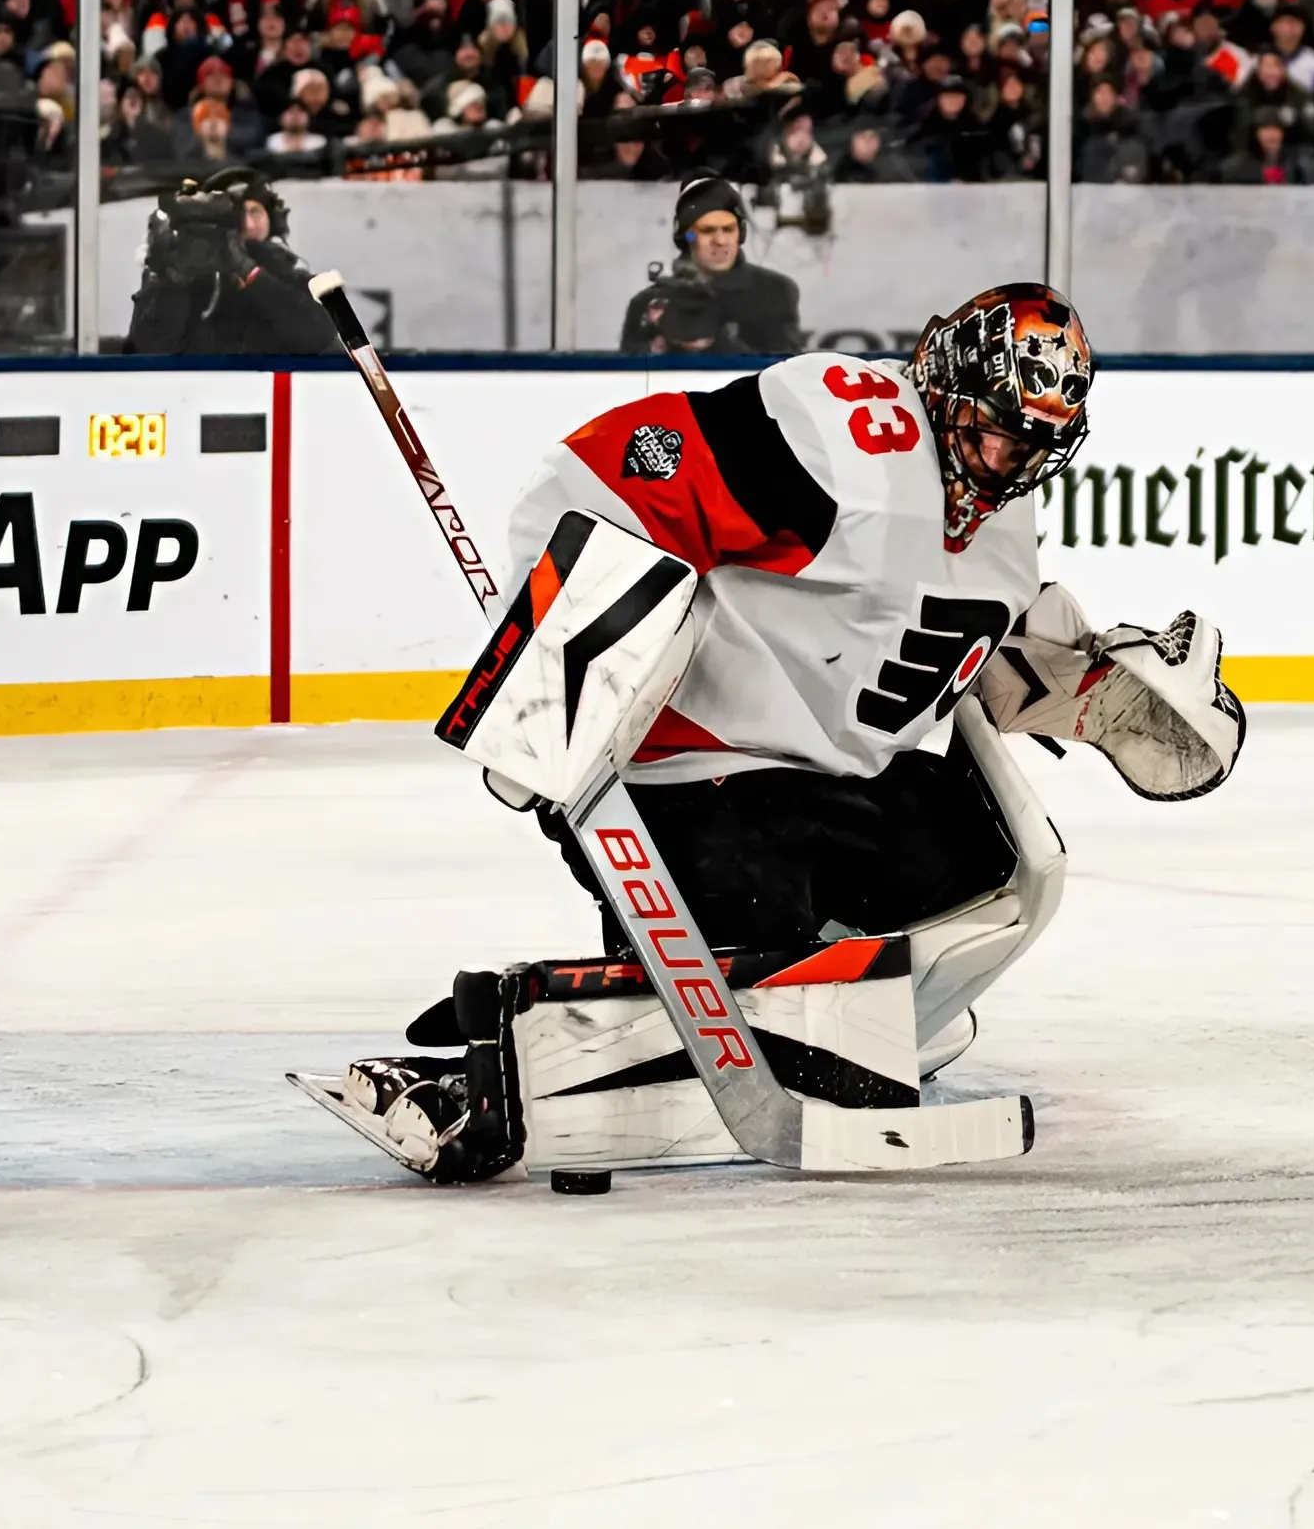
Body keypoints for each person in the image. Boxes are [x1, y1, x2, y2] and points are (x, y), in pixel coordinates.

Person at [337, 286, 1244, 1183]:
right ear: (941, 381)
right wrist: (559, 666)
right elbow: (610, 471)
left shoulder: (1005, 515)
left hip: (831, 790)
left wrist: (1081, 682)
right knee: (755, 946)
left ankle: (862, 1024)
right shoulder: (847, 436)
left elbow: (932, 649)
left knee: (988, 862)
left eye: (1031, 443)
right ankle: (507, 1064)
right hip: (688, 780)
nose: (1004, 461)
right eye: (990, 428)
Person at [125, 169, 343, 355]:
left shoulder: (296, 280)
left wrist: (250, 272)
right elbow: (146, 348)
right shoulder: (188, 276)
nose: (247, 224)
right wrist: (165, 277)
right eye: (237, 215)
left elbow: (320, 339)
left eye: (255, 212)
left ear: (273, 218)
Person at [612, 176, 806, 354]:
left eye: (728, 230)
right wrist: (657, 346)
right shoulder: (648, 302)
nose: (720, 241)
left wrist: (720, 344)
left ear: (740, 234)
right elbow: (628, 379)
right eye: (708, 231)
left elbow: (785, 374)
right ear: (687, 236)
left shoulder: (775, 293)